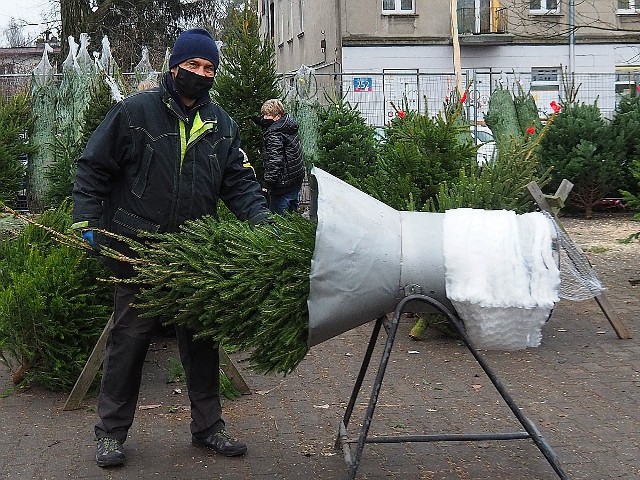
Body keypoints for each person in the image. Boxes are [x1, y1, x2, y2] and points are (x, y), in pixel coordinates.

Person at [71, 28, 269, 468]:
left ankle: (208, 427)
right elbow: (93, 167)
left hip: (194, 253)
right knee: (129, 341)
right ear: (174, 66)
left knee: (202, 342)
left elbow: (239, 185)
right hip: (139, 248)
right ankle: (111, 433)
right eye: (194, 65)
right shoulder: (136, 112)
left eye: (208, 68)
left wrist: (266, 224)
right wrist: (87, 217)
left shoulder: (222, 124)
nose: (201, 74)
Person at [254, 99, 305, 214]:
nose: (264, 118)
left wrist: (267, 185)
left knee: (278, 220)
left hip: (282, 185)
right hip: (295, 179)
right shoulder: (288, 126)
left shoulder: (274, 134)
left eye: (267, 115)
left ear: (277, 116)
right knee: (293, 218)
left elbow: (275, 161)